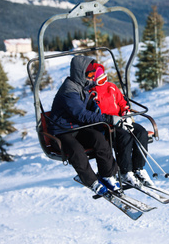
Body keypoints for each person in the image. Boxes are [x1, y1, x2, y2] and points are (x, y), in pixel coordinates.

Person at [48, 56, 123, 196]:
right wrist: (107, 118)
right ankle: (91, 181)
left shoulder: (83, 87)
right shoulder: (68, 91)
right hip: (62, 131)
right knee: (77, 151)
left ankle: (107, 175)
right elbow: (80, 114)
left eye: (92, 75)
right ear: (79, 73)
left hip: (77, 128)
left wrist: (95, 106)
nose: (92, 78)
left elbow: (87, 107)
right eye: (89, 75)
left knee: (99, 139)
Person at [85, 62, 154, 187]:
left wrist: (126, 113)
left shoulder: (111, 87)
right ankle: (125, 171)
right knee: (124, 136)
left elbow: (122, 102)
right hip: (108, 125)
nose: (103, 82)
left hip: (122, 119)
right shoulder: (91, 93)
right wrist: (112, 120)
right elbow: (93, 113)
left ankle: (138, 168)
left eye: (103, 79)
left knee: (141, 133)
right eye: (99, 80)